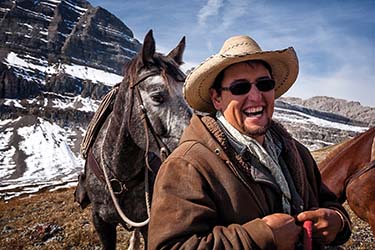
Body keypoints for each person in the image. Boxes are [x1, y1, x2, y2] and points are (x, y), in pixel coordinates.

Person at [148, 35, 351, 249]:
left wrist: (337, 221)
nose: (256, 97)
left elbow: (329, 202)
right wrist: (259, 238)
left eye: (264, 84)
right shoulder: (186, 165)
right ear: (217, 98)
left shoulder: (296, 152)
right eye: (240, 88)